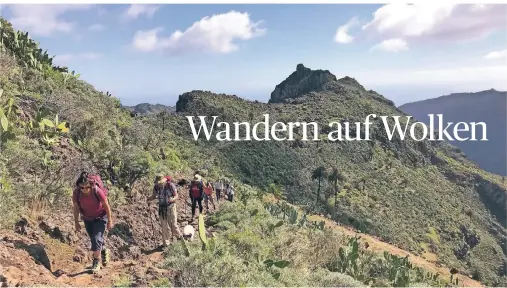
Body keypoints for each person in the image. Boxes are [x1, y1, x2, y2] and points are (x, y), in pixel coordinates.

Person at [73, 172, 113, 273]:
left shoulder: (97, 191)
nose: (84, 190)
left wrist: (109, 220)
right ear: (78, 186)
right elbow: (76, 208)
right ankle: (104, 250)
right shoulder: (77, 193)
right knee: (94, 239)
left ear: (91, 185)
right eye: (82, 187)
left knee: (96, 238)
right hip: (87, 218)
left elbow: (106, 205)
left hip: (101, 217)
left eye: (87, 187)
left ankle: (96, 262)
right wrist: (76, 222)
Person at [147, 174, 183, 247]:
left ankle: (180, 239)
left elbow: (176, 196)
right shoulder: (156, 186)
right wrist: (149, 199)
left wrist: (172, 199)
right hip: (162, 208)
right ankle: (166, 244)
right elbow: (154, 195)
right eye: (158, 183)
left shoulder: (170, 185)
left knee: (173, 225)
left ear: (164, 181)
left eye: (160, 183)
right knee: (164, 226)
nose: (159, 184)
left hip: (171, 207)